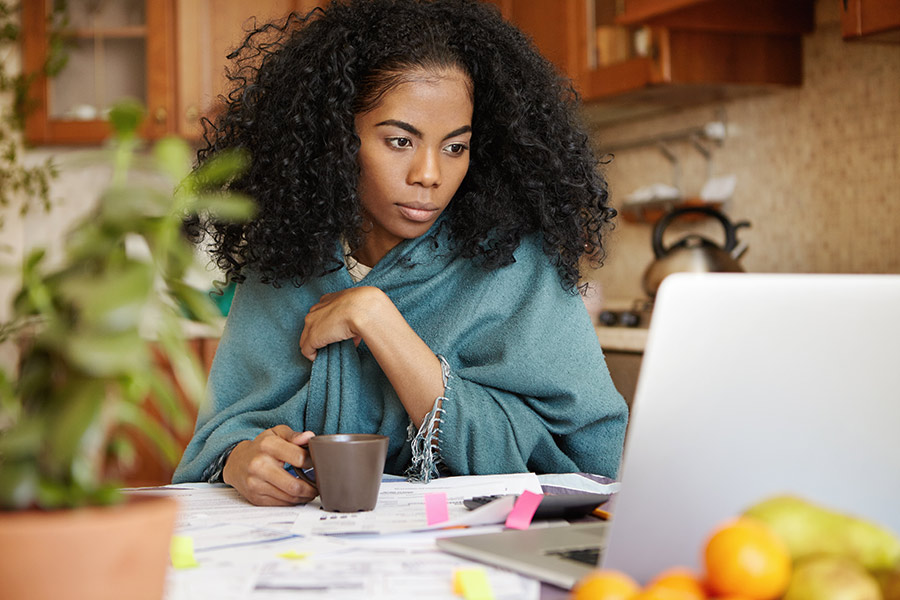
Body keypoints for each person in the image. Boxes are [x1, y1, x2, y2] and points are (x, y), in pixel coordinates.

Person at [173, 0, 628, 507]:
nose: (429, 174)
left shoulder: (514, 266)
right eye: (399, 141)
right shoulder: (287, 260)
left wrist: (378, 319)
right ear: (336, 140)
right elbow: (224, 435)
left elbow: (583, 461)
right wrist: (239, 460)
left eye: (455, 147)